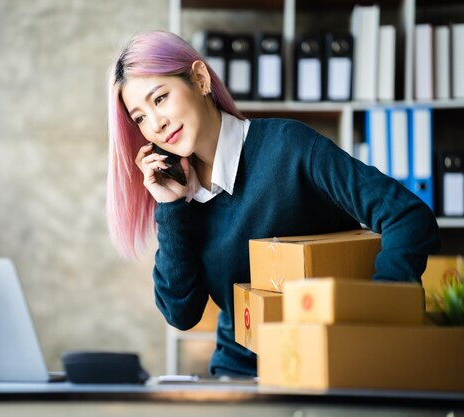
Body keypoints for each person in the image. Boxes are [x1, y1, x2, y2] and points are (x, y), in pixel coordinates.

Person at [105, 30, 440, 377]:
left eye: (159, 99)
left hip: (328, 367)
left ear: (200, 79)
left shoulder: (288, 146)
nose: (155, 124)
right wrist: (170, 208)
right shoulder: (181, 198)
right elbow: (182, 313)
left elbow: (407, 215)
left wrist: (376, 309)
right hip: (239, 375)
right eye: (140, 118)